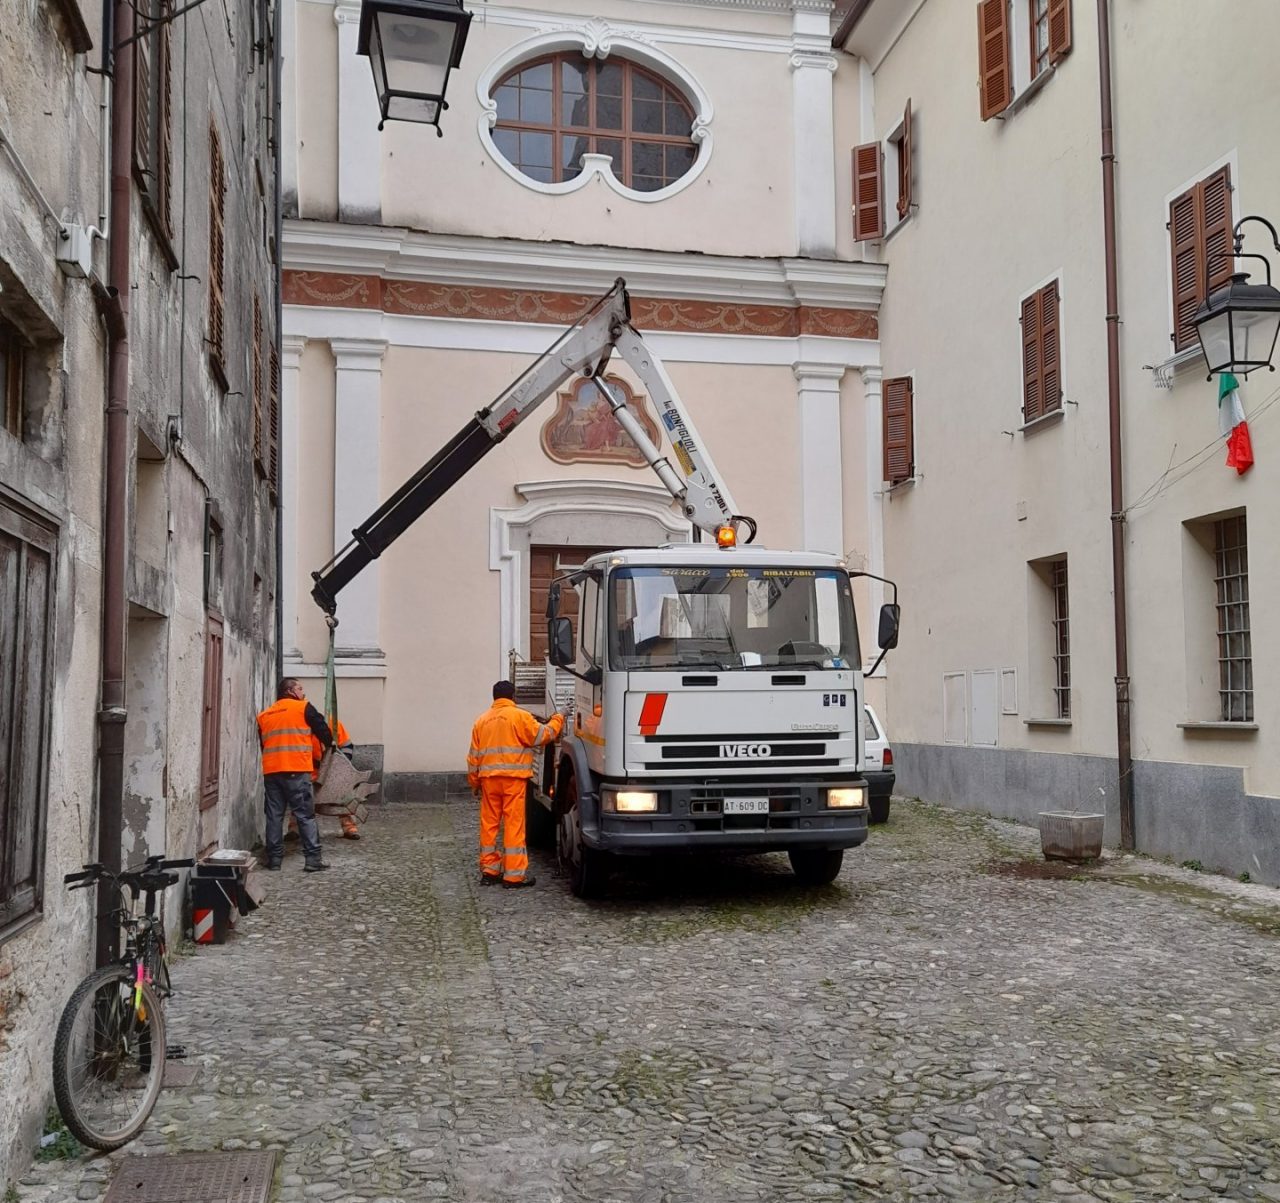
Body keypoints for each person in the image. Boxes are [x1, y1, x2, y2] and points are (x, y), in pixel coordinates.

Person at [467, 681, 565, 889]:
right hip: (513, 781)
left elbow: (473, 758)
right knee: (514, 825)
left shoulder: (481, 721)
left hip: (489, 781)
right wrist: (558, 718)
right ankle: (513, 876)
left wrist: (474, 784)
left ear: (494, 697)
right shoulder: (520, 717)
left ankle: (490, 871)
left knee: (489, 825)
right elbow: (543, 735)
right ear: (513, 696)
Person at [256, 678, 334, 872]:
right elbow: (323, 729)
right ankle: (313, 859)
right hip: (296, 769)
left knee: (274, 816)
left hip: (272, 771)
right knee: (305, 814)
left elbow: (263, 744)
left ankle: (274, 860)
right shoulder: (303, 708)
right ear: (290, 691)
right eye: (300, 688)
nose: (303, 692)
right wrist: (329, 745)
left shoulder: (265, 715)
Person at [289, 718, 360, 840]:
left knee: (343, 796)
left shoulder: (333, 724)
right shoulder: (302, 726)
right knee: (300, 798)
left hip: (332, 772)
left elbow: (347, 745)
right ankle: (294, 829)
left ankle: (349, 827)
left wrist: (339, 766)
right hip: (310, 772)